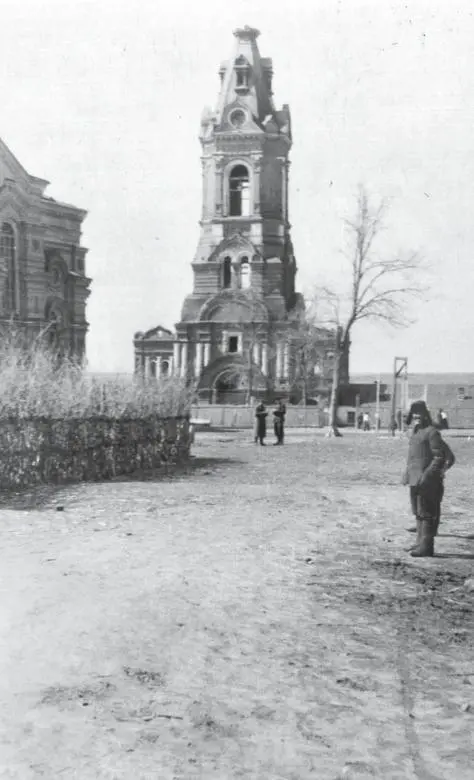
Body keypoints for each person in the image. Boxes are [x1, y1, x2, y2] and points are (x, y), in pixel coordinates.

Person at [402, 400, 454, 557]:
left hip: (426, 480)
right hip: (414, 477)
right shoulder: (416, 431)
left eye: (420, 413)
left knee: (426, 512)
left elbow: (439, 457)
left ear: (426, 414)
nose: (417, 416)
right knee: (418, 511)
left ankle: (426, 546)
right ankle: (419, 543)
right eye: (414, 413)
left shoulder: (432, 432)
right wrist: (408, 474)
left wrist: (428, 476)